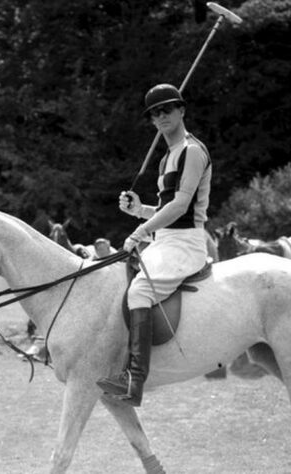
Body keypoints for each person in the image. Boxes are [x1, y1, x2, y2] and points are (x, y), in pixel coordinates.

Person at [96, 84, 212, 406]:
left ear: (181, 111)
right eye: (154, 113)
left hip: (186, 243)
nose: (160, 117)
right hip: (164, 239)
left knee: (140, 291)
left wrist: (139, 231)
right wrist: (139, 211)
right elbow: (166, 209)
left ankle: (135, 379)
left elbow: (180, 206)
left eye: (167, 110)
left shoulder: (193, 151)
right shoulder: (166, 159)